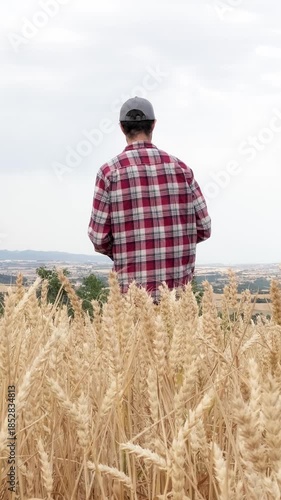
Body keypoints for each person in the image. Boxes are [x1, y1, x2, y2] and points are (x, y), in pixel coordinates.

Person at [88, 96, 211, 301]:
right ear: (153, 125)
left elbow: (99, 239)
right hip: (178, 297)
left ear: (121, 127)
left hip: (132, 299)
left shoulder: (109, 173)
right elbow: (204, 227)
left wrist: (128, 250)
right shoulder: (182, 169)